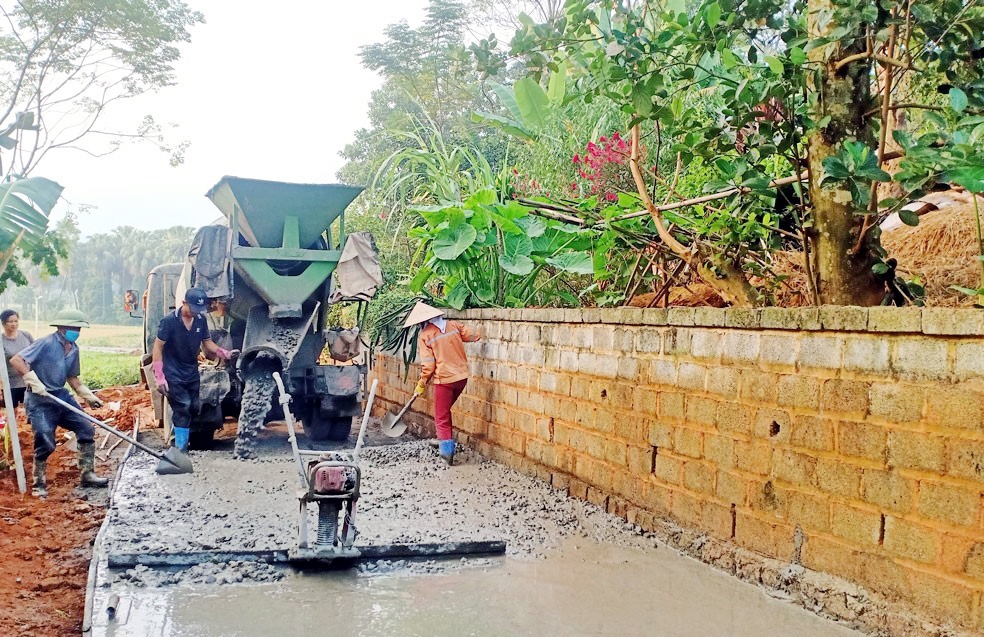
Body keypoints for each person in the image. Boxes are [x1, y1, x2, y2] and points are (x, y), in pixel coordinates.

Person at [9, 308, 106, 498]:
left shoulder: (73, 349)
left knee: (86, 428)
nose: (76, 332)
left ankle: (87, 474)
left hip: (60, 395)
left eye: (79, 328)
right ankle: (39, 483)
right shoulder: (45, 343)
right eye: (73, 328)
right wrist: (31, 379)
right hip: (40, 399)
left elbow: (72, 377)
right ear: (62, 327)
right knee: (45, 439)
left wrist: (87, 395)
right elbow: (17, 359)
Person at [151, 287, 238, 452]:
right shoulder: (168, 321)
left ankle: (183, 441)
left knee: (193, 407)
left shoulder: (200, 320)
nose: (196, 312)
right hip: (173, 372)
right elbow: (158, 347)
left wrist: (225, 353)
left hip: (191, 371)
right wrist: (160, 376)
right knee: (182, 408)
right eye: (193, 308)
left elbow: (207, 343)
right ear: (184, 303)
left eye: (199, 309)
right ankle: (180, 450)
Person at [405, 301, 480, 465]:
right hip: (461, 378)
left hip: (444, 380)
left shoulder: (425, 335)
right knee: (445, 411)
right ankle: (442, 440)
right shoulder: (454, 325)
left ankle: (446, 454)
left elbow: (428, 365)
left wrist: (422, 383)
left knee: (441, 416)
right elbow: (475, 335)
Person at [1, 309, 34, 409]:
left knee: (30, 411)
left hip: (28, 381)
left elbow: (35, 354)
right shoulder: (1, 340)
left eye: (16, 321)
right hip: (10, 384)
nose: (14, 324)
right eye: (10, 321)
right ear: (3, 323)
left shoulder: (26, 336)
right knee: (12, 412)